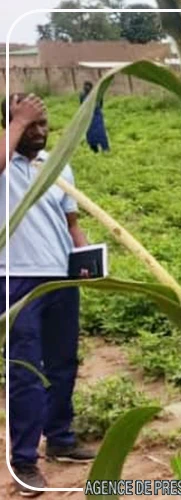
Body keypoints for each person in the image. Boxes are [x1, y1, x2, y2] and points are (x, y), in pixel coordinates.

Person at [3, 93, 95, 497]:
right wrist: (18, 120)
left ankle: (60, 437)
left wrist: (85, 255)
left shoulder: (57, 165)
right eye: (29, 124)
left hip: (60, 278)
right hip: (15, 280)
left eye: (43, 123)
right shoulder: (5, 164)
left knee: (62, 362)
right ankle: (24, 460)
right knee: (25, 370)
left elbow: (71, 222)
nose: (38, 131)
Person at [80, 81, 109, 153]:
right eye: (85, 86)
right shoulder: (82, 95)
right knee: (90, 134)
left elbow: (100, 104)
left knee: (100, 133)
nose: (86, 88)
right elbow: (82, 105)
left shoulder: (97, 94)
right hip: (88, 116)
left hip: (97, 116)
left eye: (88, 86)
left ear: (91, 88)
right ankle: (94, 149)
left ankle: (105, 149)